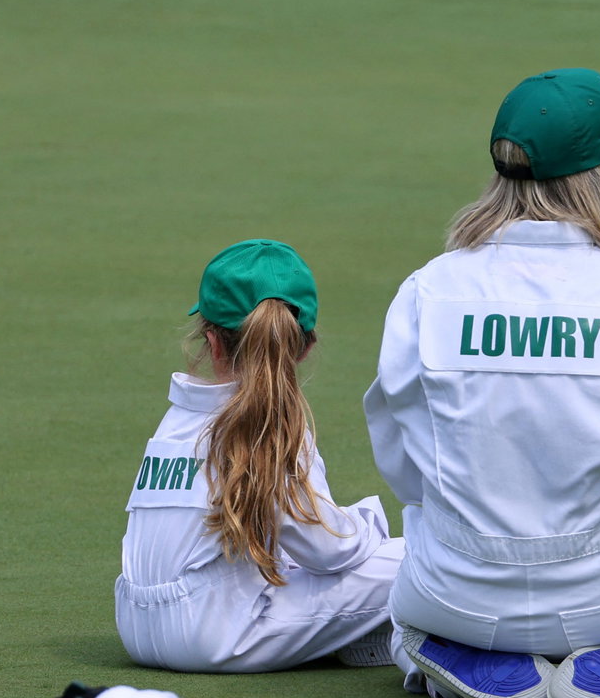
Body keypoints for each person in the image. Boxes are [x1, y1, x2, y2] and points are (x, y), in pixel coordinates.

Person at [364, 68, 600, 698]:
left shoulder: (428, 287)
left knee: (416, 597)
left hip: (455, 590)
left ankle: (454, 647)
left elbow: (398, 452)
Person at [115, 239, 404, 673]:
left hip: (134, 626)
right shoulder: (272, 422)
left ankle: (361, 638)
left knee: (283, 559)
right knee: (421, 556)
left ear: (210, 340)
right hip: (213, 635)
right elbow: (330, 552)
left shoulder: (175, 419)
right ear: (304, 346)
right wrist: (370, 531)